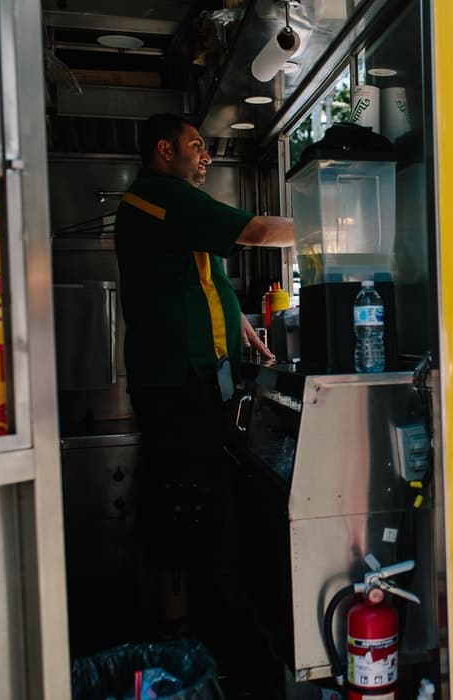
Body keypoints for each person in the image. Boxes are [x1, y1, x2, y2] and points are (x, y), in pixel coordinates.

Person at [114, 113, 294, 634]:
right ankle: (178, 636)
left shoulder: (168, 207)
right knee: (181, 501)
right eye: (196, 145)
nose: (206, 155)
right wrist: (334, 220)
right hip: (176, 381)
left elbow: (201, 277)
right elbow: (258, 231)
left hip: (188, 376)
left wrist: (236, 320)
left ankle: (188, 623)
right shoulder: (160, 195)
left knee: (188, 496)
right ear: (164, 150)